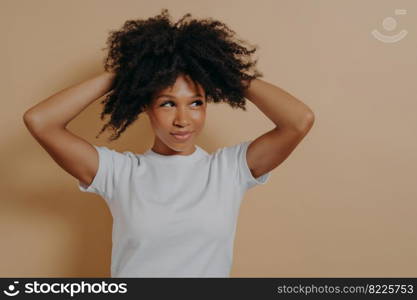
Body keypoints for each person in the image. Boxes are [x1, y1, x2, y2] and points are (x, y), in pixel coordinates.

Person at [23, 9, 315, 277]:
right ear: (146, 107)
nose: (183, 119)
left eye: (196, 103)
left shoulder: (229, 170)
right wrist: (128, 74)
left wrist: (222, 70)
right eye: (167, 104)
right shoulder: (118, 173)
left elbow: (299, 120)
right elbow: (40, 121)